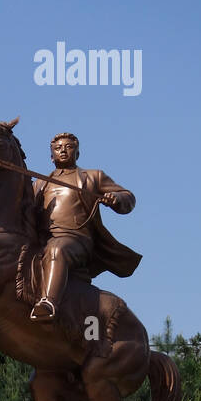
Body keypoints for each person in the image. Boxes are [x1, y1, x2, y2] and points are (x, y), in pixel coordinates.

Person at [30, 131, 140, 322]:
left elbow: (128, 196)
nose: (63, 150)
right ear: (51, 156)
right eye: (57, 148)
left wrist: (117, 198)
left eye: (68, 147)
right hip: (43, 241)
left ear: (77, 153)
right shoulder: (40, 183)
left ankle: (48, 303)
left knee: (57, 249)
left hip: (76, 240)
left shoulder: (93, 176)